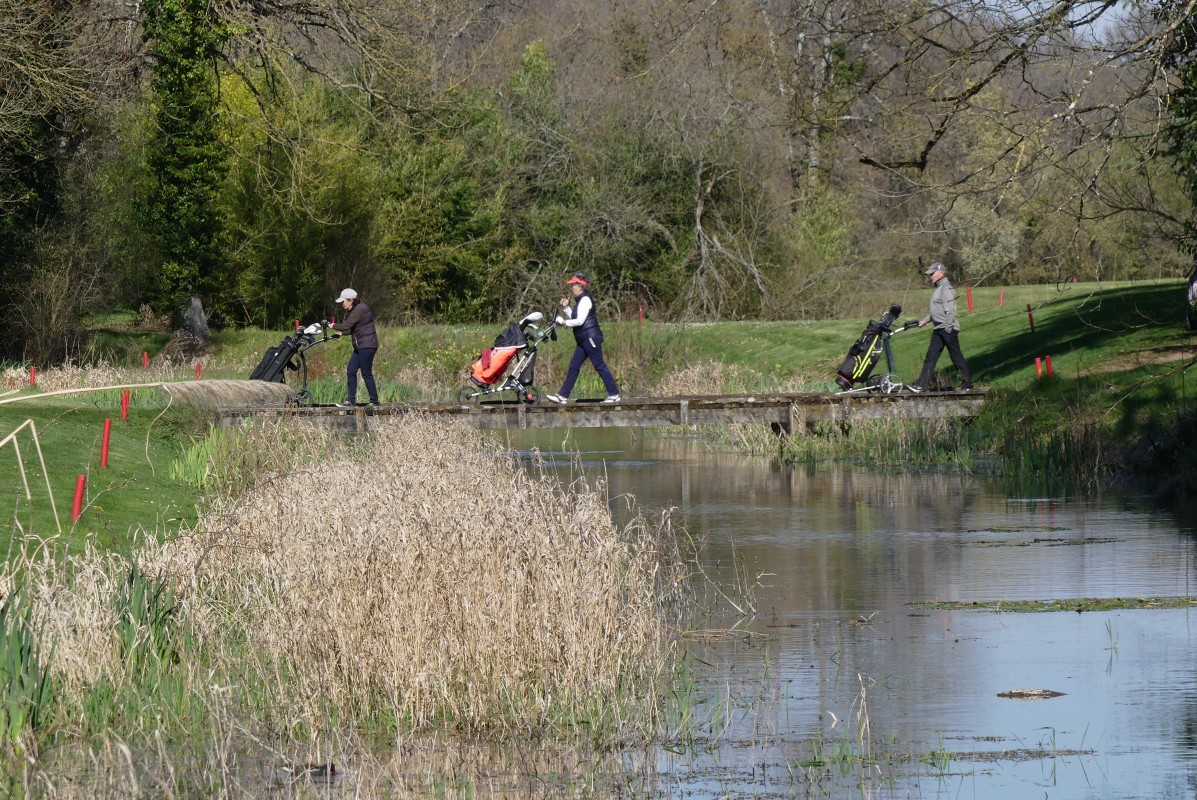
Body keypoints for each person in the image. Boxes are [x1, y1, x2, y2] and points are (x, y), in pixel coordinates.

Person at [544, 273, 622, 404]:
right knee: (574, 366)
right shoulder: (580, 300)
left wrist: (563, 322)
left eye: (573, 284)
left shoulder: (585, 300)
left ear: (580, 286)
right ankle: (562, 396)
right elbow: (575, 318)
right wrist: (566, 307)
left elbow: (579, 321)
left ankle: (614, 395)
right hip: (583, 340)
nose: (572, 287)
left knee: (599, 365)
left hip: (590, 338)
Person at [907, 262, 973, 393]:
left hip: (947, 328)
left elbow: (950, 311)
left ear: (941, 273)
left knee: (956, 356)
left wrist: (948, 328)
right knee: (931, 357)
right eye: (930, 274)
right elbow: (936, 310)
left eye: (932, 273)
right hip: (938, 329)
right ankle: (921, 385)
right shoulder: (938, 289)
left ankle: (968, 384)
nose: (930, 276)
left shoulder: (946, 289)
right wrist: (925, 320)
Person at [329, 288, 380, 407]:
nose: (342, 304)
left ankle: (374, 401)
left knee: (366, 373)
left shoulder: (359, 310)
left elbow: (346, 325)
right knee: (351, 370)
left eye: (344, 301)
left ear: (350, 300)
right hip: (361, 346)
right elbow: (355, 328)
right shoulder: (359, 309)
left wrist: (331, 325)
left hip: (367, 346)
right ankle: (351, 401)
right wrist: (342, 333)